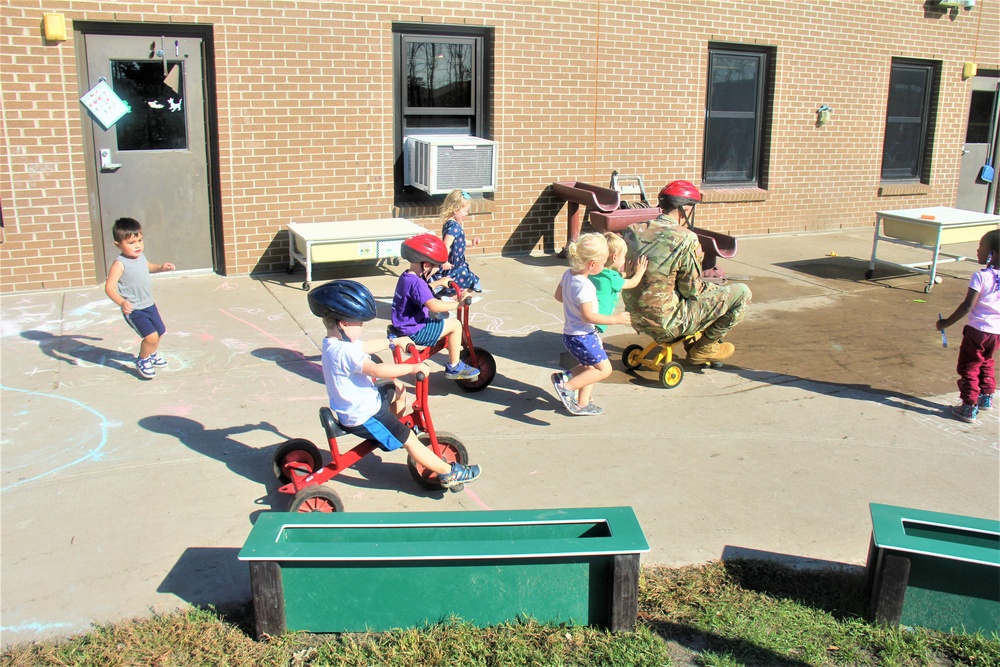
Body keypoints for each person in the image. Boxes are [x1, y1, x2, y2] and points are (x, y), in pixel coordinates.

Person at [309, 280, 481, 488]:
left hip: (358, 404)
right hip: (364, 416)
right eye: (360, 323)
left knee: (397, 388)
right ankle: (448, 473)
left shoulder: (334, 343)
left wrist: (394, 342)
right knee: (409, 439)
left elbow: (366, 346)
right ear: (343, 323)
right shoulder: (345, 352)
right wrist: (412, 368)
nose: (362, 327)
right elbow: (378, 370)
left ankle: (392, 430)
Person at [621, 180, 751, 364]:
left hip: (635, 315)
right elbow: (691, 290)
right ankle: (704, 346)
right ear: (686, 209)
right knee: (741, 293)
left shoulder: (632, 230)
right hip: (666, 322)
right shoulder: (686, 238)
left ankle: (694, 342)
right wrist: (711, 289)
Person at [551, 232, 631, 416]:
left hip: (572, 334)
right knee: (604, 369)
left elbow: (558, 296)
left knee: (590, 367)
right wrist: (615, 319)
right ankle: (567, 386)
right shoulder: (585, 286)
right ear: (592, 264)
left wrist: (573, 304)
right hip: (583, 336)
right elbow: (589, 316)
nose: (604, 266)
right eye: (603, 263)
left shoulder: (569, 275)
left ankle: (581, 401)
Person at [392, 233, 481, 380]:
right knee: (455, 325)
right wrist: (459, 304)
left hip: (404, 324)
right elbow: (433, 305)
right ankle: (454, 366)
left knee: (443, 320)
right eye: (436, 267)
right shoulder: (417, 283)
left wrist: (439, 282)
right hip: (416, 330)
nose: (437, 271)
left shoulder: (407, 277)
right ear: (426, 265)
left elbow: (422, 292)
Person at [936, 229, 1000, 423]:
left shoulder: (981, 276)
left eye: (981, 247)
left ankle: (969, 406)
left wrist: (945, 322)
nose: (978, 250)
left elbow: (967, 306)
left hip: (977, 332)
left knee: (969, 366)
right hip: (996, 333)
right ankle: (986, 397)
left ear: (993, 253)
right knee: (986, 362)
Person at [104, 217, 175, 379]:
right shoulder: (119, 264)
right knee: (150, 336)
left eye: (140, 240)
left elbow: (149, 266)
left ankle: (151, 354)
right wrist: (122, 302)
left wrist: (161, 267)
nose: (137, 245)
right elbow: (109, 287)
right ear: (118, 245)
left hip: (149, 304)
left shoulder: (140, 257)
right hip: (134, 309)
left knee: (160, 331)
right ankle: (142, 360)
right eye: (131, 242)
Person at [589, 232, 648, 334]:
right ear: (615, 257)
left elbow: (611, 278)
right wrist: (640, 272)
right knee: (592, 346)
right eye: (624, 256)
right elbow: (632, 283)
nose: (624, 260)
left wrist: (625, 273)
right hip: (598, 320)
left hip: (588, 316)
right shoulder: (613, 278)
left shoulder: (595, 271)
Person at [432, 189, 482, 293]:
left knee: (463, 284)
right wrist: (444, 262)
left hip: (458, 263)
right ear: (455, 209)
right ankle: (449, 299)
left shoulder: (451, 224)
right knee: (471, 282)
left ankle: (448, 298)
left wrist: (472, 243)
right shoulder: (454, 227)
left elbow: (460, 243)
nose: (466, 214)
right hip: (454, 264)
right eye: (465, 211)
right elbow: (445, 245)